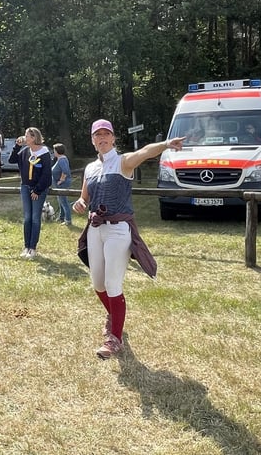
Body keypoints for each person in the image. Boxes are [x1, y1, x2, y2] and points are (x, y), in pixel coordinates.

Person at [73, 119, 185, 359]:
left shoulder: (123, 162)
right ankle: (114, 316)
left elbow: (144, 152)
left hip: (118, 229)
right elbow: (85, 197)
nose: (102, 138)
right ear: (93, 140)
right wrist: (81, 203)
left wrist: (165, 144)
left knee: (113, 284)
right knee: (98, 284)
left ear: (113, 138)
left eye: (106, 134)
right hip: (95, 229)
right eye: (97, 135)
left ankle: (115, 338)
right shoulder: (90, 168)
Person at [9, 127, 52, 259]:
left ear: (34, 138)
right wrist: (16, 146)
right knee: (27, 218)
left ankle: (33, 248)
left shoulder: (44, 153)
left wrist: (37, 190)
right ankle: (26, 246)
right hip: (25, 187)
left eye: (27, 136)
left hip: (38, 190)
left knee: (35, 218)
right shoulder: (25, 151)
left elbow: (46, 175)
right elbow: (11, 160)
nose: (25, 137)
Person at [51, 143, 72, 225]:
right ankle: (61, 217)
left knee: (64, 202)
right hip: (59, 185)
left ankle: (68, 220)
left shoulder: (62, 159)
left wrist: (61, 180)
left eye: (54, 150)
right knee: (60, 201)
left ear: (57, 151)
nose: (54, 152)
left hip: (62, 184)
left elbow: (65, 171)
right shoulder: (60, 159)